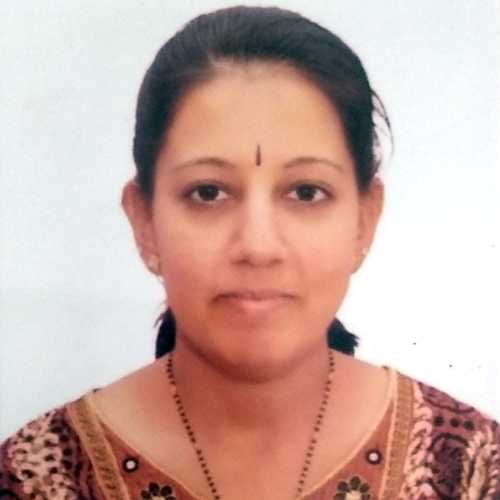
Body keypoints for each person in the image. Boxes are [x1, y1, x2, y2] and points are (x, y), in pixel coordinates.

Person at [1, 5, 499, 500]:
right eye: (208, 193)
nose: (258, 247)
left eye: (306, 192)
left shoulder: (468, 468)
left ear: (364, 220)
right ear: (145, 222)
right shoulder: (38, 478)